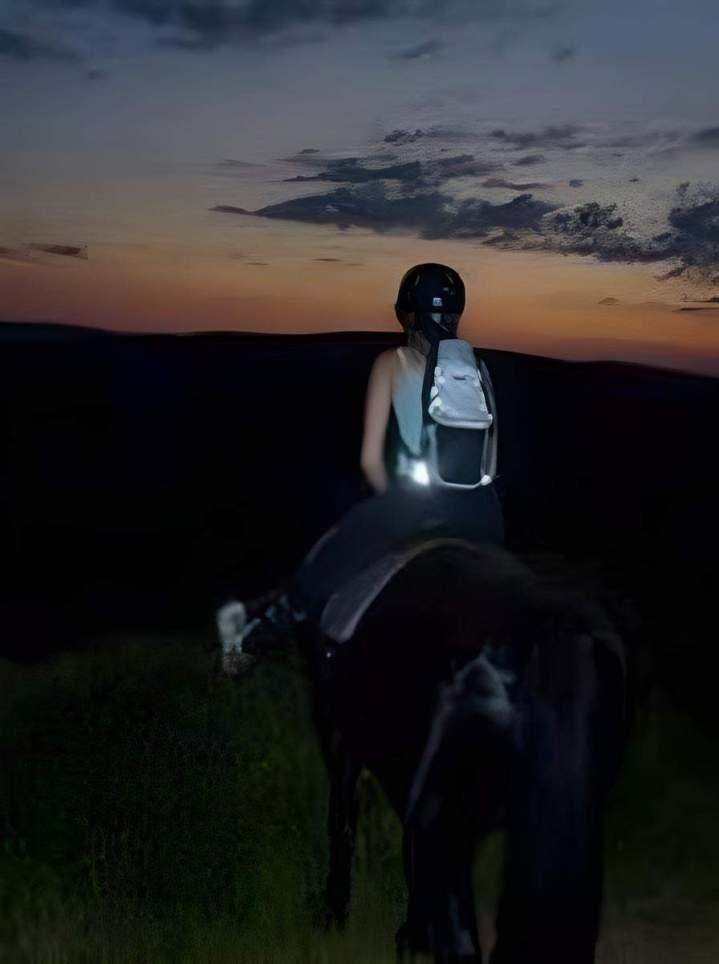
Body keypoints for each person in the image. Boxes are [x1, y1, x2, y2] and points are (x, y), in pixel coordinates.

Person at [217, 263, 504, 673]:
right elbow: (491, 460)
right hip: (484, 512)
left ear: (405, 312)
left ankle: (264, 630)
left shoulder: (390, 362)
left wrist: (393, 506)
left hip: (416, 504)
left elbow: (370, 461)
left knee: (332, 554)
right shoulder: (480, 370)